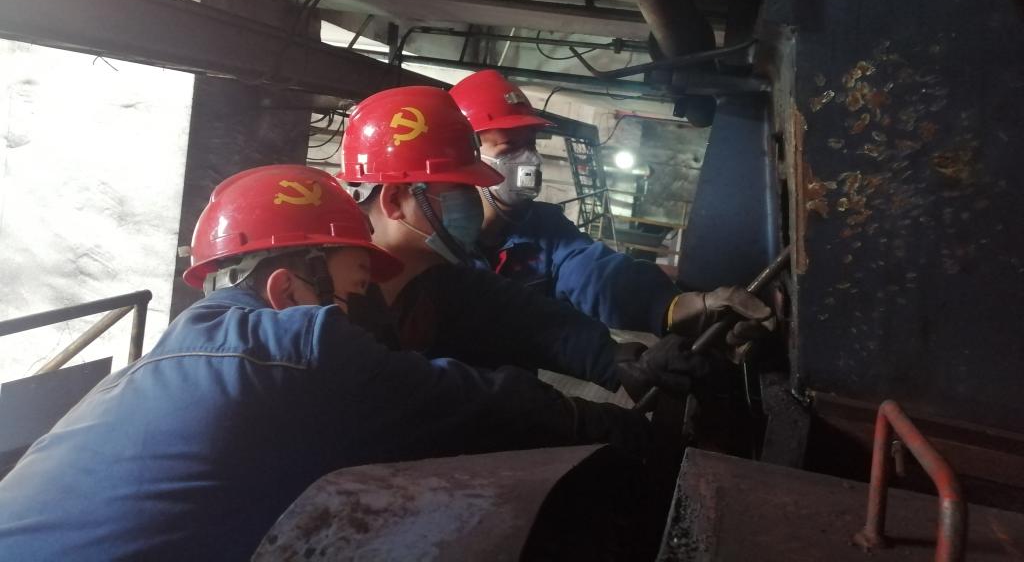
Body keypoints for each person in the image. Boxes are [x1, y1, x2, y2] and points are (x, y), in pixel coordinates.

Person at [0, 165, 650, 562]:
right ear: (287, 289)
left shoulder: (186, 350)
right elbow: (456, 402)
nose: (361, 308)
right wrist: (595, 423)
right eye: (355, 286)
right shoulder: (287, 349)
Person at [337, 85, 710, 401]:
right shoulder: (333, 297)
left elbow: (532, 319)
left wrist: (624, 355)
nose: (527, 159)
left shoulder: (447, 272)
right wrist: (562, 417)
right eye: (460, 187)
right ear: (395, 200)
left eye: (530, 144)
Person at [449, 69, 772, 342]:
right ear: (466, 154)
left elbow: (598, 276)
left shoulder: (544, 228)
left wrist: (677, 306)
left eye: (531, 144)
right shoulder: (437, 247)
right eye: (510, 146)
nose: (529, 160)